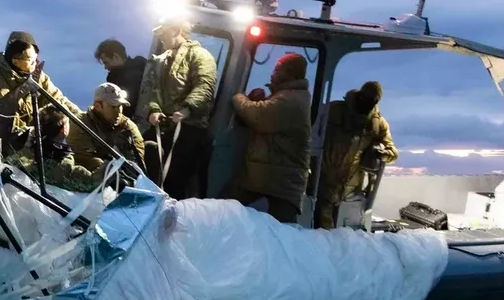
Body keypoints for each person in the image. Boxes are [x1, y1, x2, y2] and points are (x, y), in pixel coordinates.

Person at [228, 53, 313, 224]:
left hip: (281, 181)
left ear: (289, 73)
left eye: (277, 70)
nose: (272, 74)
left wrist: (239, 97)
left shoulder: (291, 100)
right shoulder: (287, 96)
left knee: (282, 231)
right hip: (272, 176)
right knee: (228, 205)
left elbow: (257, 116)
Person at [139, 17, 217, 199]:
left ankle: (173, 219)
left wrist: (187, 109)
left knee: (176, 179)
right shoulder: (162, 60)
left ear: (175, 31)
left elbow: (204, 86)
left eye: (163, 33)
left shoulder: (201, 56)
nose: (161, 38)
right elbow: (153, 90)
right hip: (163, 127)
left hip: (189, 128)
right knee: (146, 162)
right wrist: (153, 109)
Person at [0, 31, 81, 150]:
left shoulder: (36, 75)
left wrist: (80, 118)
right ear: (15, 61)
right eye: (30, 60)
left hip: (30, 139)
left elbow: (57, 99)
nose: (36, 63)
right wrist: (37, 134)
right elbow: (3, 122)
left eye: (36, 58)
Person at [315, 81, 400, 229]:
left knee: (342, 231)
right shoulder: (334, 110)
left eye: (373, 100)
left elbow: (392, 152)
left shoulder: (377, 124)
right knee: (320, 227)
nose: (367, 103)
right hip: (322, 179)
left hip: (349, 188)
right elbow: (312, 130)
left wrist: (381, 153)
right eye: (365, 98)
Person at [12, 107, 111, 193]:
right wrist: (109, 163)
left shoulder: (19, 143)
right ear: (64, 130)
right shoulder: (62, 167)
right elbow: (94, 183)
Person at [68, 82, 147, 172]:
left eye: (120, 105)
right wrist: (111, 171)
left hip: (124, 176)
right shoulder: (80, 123)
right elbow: (84, 158)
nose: (119, 111)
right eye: (113, 106)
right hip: (95, 179)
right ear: (98, 106)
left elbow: (138, 159)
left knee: (152, 147)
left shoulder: (128, 126)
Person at [94, 38, 147, 120]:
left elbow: (127, 108)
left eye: (106, 62)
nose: (105, 67)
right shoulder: (118, 76)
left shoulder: (131, 76)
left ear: (116, 57)